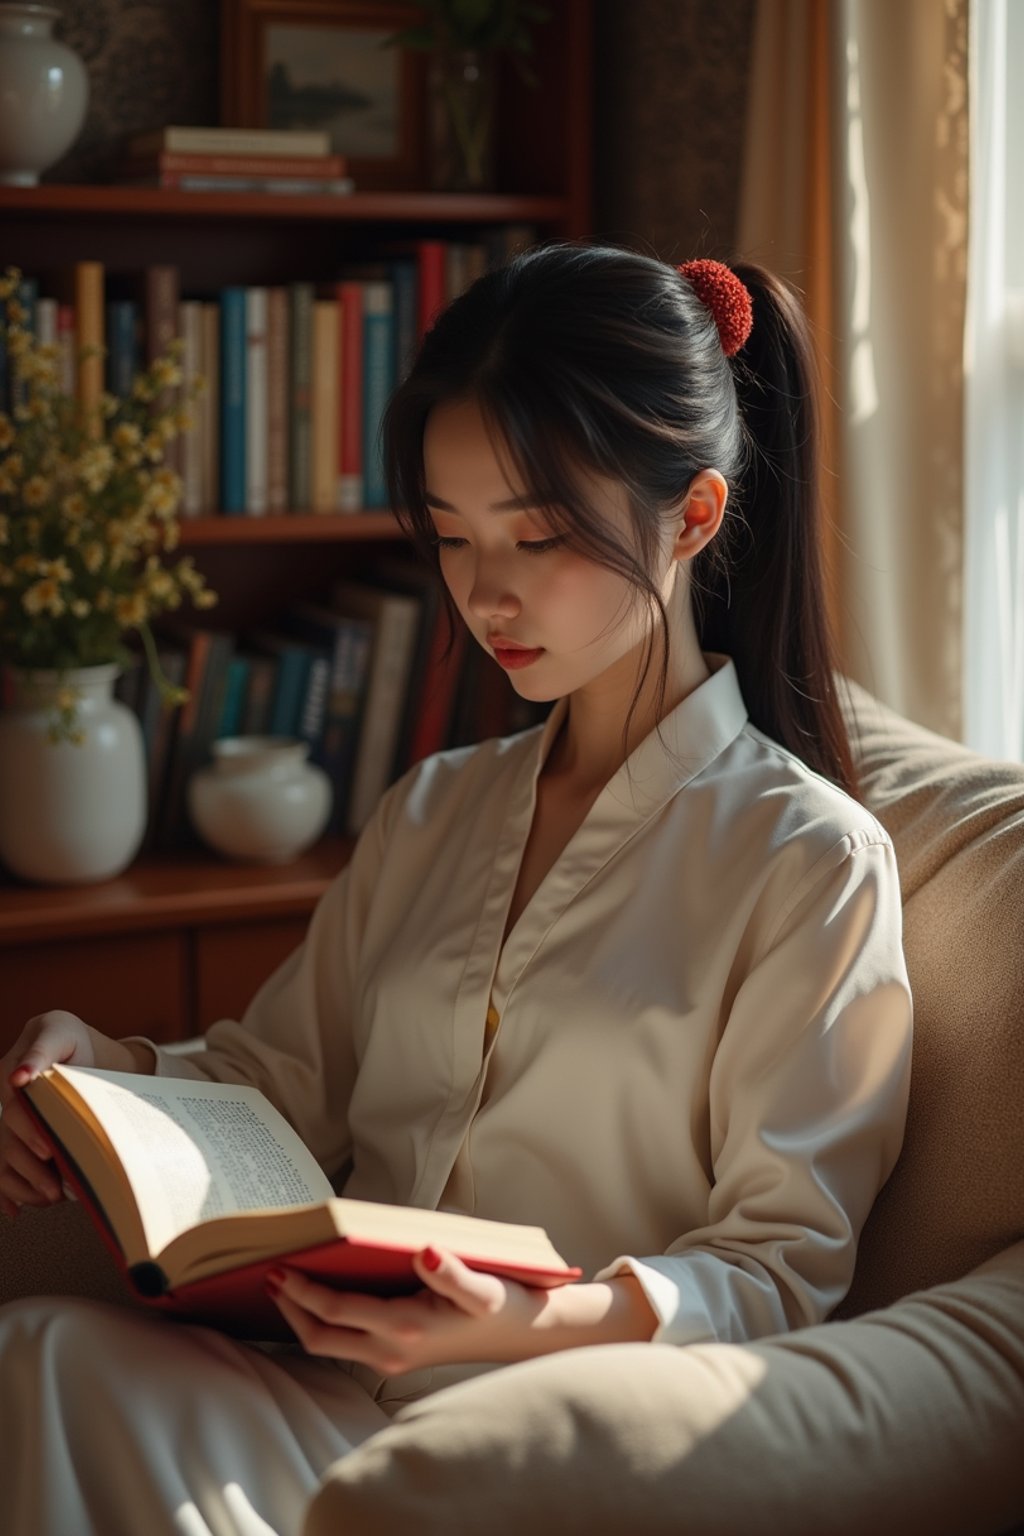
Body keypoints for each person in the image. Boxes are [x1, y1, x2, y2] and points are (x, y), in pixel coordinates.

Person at [0, 244, 912, 1536]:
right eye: (452, 537)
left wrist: (527, 1320)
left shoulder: (806, 865)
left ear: (695, 516)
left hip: (558, 1433)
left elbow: (777, 1269)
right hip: (323, 1392)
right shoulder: (433, 812)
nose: (486, 593)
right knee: (40, 1354)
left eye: (538, 537)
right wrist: (103, 1067)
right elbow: (280, 1083)